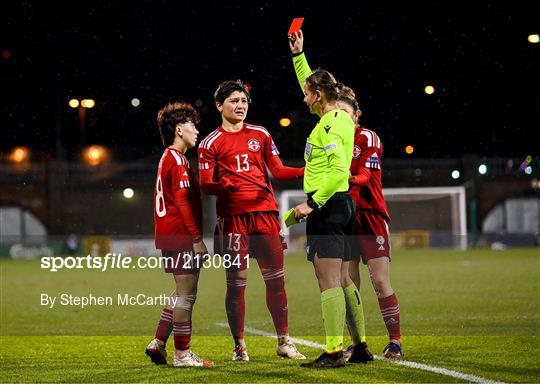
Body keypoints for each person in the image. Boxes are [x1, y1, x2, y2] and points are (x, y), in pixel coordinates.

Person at [198, 80, 306, 361]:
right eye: (234, 101)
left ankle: (284, 341)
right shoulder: (210, 143)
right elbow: (205, 185)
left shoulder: (261, 134)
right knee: (236, 285)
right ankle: (239, 347)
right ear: (219, 105)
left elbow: (278, 171)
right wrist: (224, 186)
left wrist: (308, 171)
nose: (240, 106)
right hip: (233, 221)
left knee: (276, 283)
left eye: (244, 101)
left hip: (266, 217)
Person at [288, 30, 373, 368]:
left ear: (319, 94)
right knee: (343, 278)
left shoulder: (333, 123)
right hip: (337, 205)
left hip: (330, 206)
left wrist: (312, 204)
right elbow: (309, 85)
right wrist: (298, 56)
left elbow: (339, 172)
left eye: (308, 94)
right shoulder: (331, 117)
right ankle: (361, 347)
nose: (304, 98)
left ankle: (334, 350)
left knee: (328, 279)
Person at [337, 88, 404, 359]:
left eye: (345, 112)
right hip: (344, 219)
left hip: (370, 216)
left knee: (379, 280)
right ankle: (357, 343)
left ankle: (395, 341)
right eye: (336, 112)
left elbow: (364, 177)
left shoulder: (367, 137)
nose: (340, 116)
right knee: (348, 284)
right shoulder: (331, 140)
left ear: (356, 114)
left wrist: (340, 179)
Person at [145, 102, 213, 367]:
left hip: (170, 234)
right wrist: (196, 240)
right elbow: (183, 203)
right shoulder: (176, 160)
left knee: (179, 292)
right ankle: (183, 354)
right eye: (192, 125)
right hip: (181, 235)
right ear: (178, 129)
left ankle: (159, 342)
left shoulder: (170, 157)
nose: (196, 130)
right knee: (187, 294)